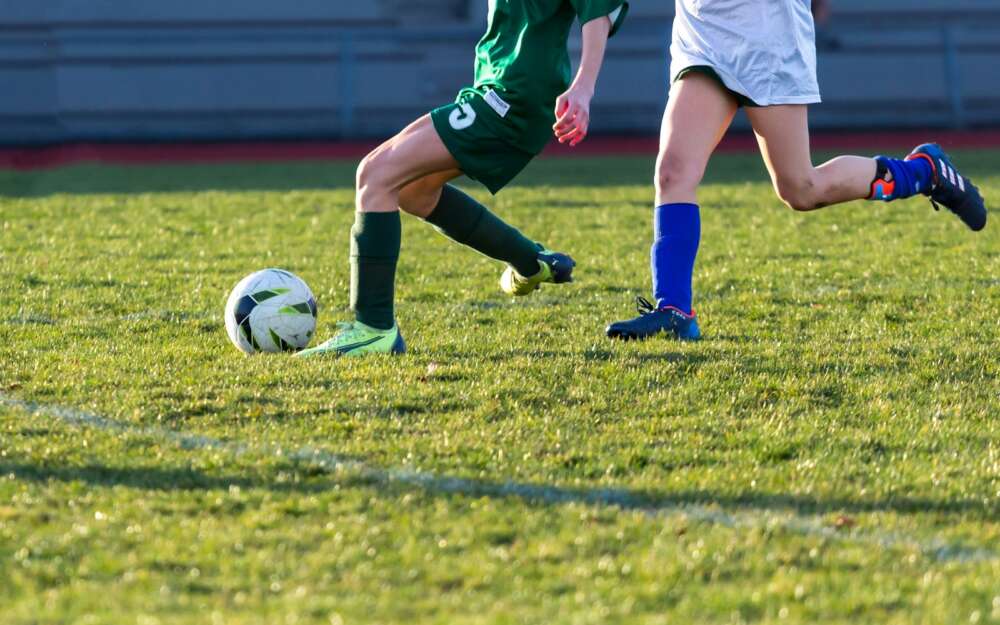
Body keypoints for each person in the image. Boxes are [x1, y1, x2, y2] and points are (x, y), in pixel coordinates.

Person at [605, 0, 988, 342]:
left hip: (768, 37)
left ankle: (923, 172)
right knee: (672, 173)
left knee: (801, 189)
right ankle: (675, 311)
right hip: (703, 36)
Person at [297, 0, 628, 358]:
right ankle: (531, 261)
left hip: (513, 99)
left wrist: (584, 87)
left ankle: (373, 328)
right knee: (413, 193)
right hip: (494, 91)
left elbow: (599, 10)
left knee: (375, 175)